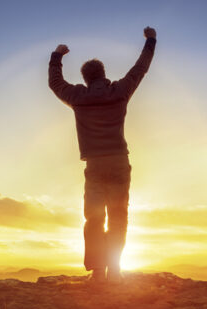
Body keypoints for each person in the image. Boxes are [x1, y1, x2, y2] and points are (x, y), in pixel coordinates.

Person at [48, 27, 157, 283]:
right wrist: (151, 40)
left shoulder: (78, 96)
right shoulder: (120, 91)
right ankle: (115, 271)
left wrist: (57, 55)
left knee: (94, 217)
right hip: (119, 162)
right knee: (119, 215)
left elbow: (55, 83)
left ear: (85, 78)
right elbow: (140, 68)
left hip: (95, 166)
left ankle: (98, 272)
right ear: (104, 74)